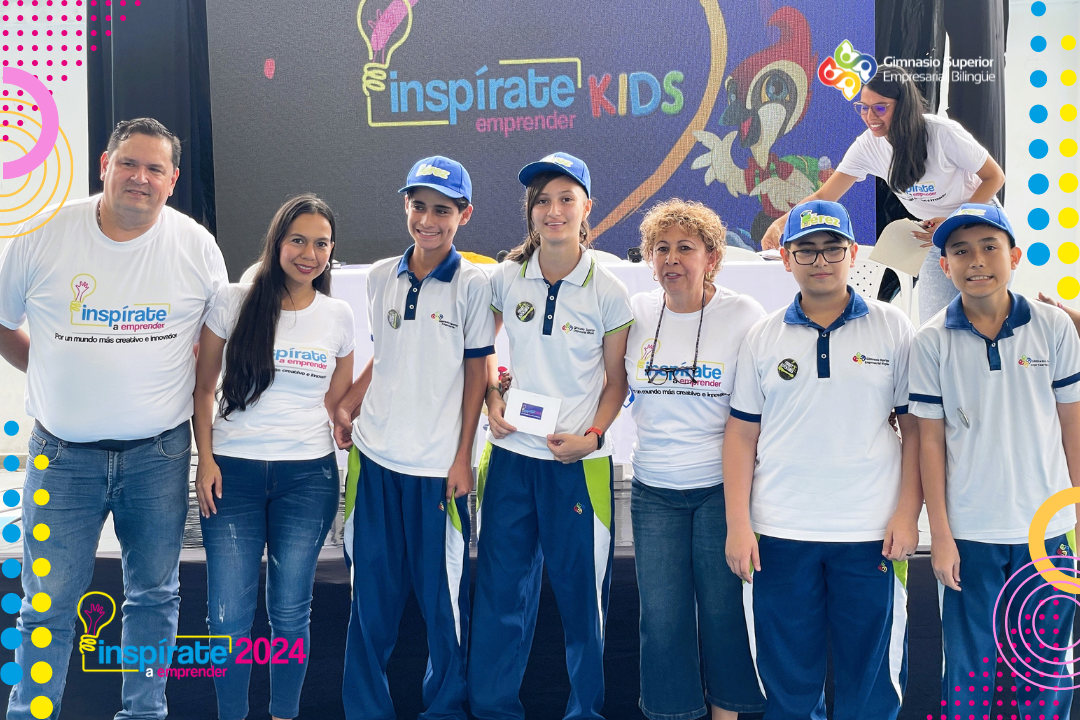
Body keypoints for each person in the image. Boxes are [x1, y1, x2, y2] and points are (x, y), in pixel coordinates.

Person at [0, 118, 228, 720]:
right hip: (60, 459)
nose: (140, 178)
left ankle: (144, 713)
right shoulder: (44, 235)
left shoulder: (196, 247)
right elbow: (1, 321)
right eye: (129, 163)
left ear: (173, 180)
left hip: (159, 456)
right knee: (46, 605)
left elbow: (215, 340)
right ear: (105, 164)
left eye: (155, 168)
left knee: (155, 596)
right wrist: (48, 369)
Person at [725, 200, 921, 720]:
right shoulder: (763, 335)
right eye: (806, 250)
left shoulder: (893, 327)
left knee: (871, 684)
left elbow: (916, 430)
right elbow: (741, 434)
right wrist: (739, 524)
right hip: (780, 530)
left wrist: (908, 514)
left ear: (853, 254)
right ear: (786, 258)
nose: (820, 261)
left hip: (871, 532)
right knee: (789, 684)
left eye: (832, 249)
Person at [469, 152, 633, 720]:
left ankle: (584, 712)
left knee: (583, 604)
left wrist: (594, 436)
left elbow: (617, 381)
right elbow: (481, 351)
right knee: (500, 594)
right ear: (530, 210)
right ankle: (493, 710)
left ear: (587, 208)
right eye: (543, 200)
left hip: (576, 465)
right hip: (510, 458)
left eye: (566, 199)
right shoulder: (506, 277)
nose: (553, 210)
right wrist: (493, 397)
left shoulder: (607, 288)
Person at [334, 156, 494, 720]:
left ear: (464, 215)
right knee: (369, 605)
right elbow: (389, 355)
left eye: (442, 210)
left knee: (443, 607)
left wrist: (463, 457)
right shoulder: (380, 276)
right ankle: (365, 711)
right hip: (374, 462)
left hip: (436, 473)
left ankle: (444, 710)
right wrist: (349, 403)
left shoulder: (474, 284)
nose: (428, 220)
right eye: (419, 206)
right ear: (406, 205)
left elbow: (476, 376)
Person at [908, 204, 1080, 715]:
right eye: (961, 251)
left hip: (1047, 532)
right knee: (970, 668)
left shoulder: (1053, 326)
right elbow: (930, 443)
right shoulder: (931, 340)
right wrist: (941, 535)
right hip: (970, 533)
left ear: (1015, 257)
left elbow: (1072, 427)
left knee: (1045, 671)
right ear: (945, 266)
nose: (976, 260)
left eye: (989, 247)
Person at [192, 194, 355, 720]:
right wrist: (205, 460)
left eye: (322, 244)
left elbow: (338, 403)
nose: (310, 254)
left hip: (308, 477)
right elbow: (203, 388)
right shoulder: (233, 300)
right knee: (228, 617)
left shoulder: (338, 315)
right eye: (298, 240)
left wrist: (366, 405)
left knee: (289, 612)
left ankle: (284, 713)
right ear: (277, 241)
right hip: (231, 474)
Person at [623, 199, 766, 720]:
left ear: (713, 258)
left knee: (726, 613)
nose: (672, 258)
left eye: (686, 247)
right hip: (653, 490)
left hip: (720, 490)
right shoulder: (636, 312)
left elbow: (759, 409)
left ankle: (728, 712)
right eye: (660, 248)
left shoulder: (744, 315)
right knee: (662, 620)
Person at [760, 65, 1005, 323]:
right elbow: (824, 196)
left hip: (979, 223)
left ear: (904, 106)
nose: (870, 116)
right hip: (937, 236)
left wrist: (955, 220)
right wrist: (780, 224)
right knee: (935, 324)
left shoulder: (942, 133)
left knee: (988, 318)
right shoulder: (868, 145)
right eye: (863, 107)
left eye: (880, 107)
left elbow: (995, 177)